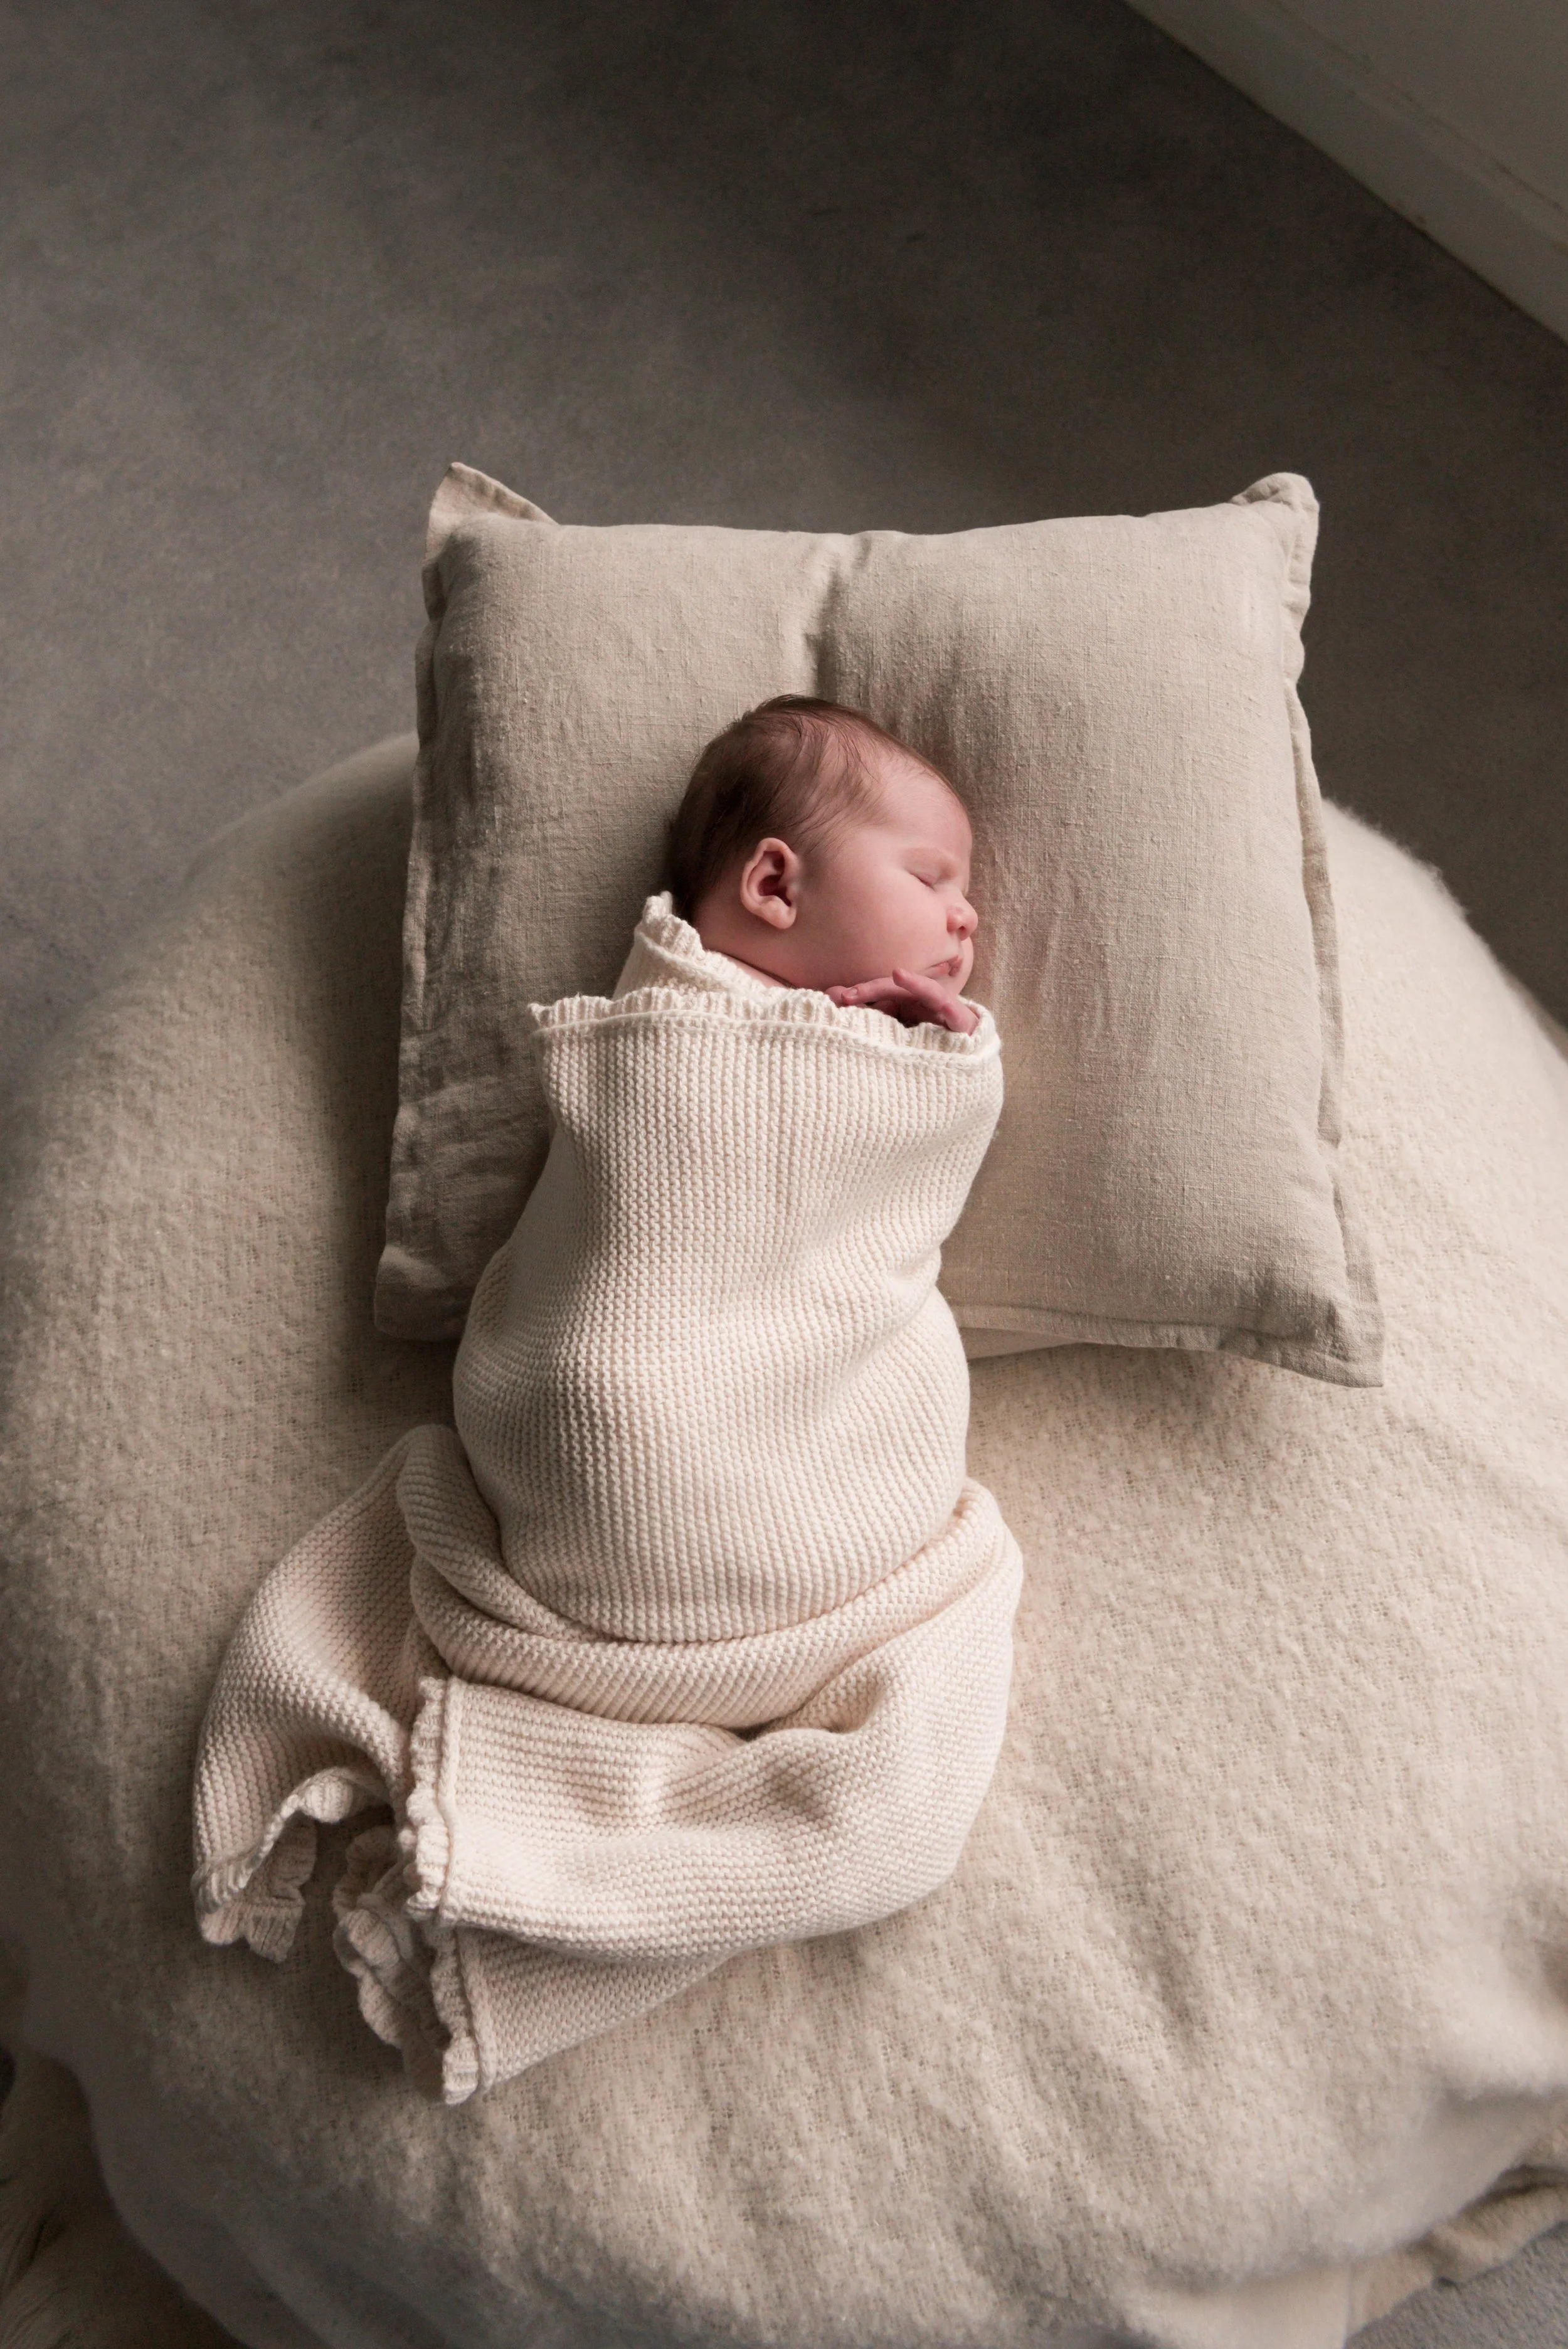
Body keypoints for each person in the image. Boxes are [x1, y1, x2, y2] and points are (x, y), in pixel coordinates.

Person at [669, 694, 982, 1033]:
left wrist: (954, 1041)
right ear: (777, 888)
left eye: (962, 893)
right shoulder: (676, 1013)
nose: (969, 917)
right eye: (927, 880)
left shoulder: (906, 1030)